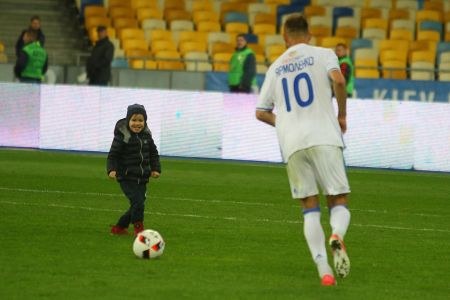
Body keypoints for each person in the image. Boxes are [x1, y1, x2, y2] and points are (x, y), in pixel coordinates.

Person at [255, 14, 351, 286]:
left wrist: (283, 122)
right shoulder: (323, 54)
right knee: (338, 199)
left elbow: (261, 112)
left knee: (309, 207)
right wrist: (342, 116)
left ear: (284, 38)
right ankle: (337, 234)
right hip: (323, 135)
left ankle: (324, 272)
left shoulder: (275, 68)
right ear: (309, 35)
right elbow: (340, 82)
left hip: (292, 142)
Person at [107, 104, 161, 236]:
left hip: (142, 177)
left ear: (145, 121)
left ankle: (119, 227)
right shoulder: (122, 136)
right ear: (128, 120)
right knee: (138, 202)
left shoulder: (147, 136)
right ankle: (139, 227)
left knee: (138, 204)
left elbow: (153, 153)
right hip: (126, 176)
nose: (137, 123)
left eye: (140, 120)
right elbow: (113, 155)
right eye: (134, 120)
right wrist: (111, 169)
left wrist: (155, 169)